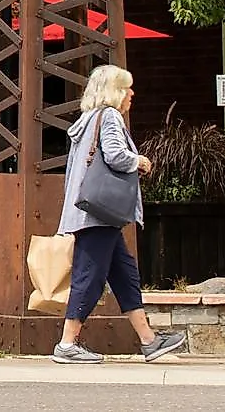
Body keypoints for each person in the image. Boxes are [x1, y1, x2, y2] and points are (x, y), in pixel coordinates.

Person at [52, 64, 184, 364]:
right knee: (89, 276)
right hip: (98, 215)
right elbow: (114, 155)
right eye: (126, 88)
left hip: (94, 213)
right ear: (115, 92)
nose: (132, 94)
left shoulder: (87, 119)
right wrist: (139, 161)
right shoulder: (109, 116)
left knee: (124, 274)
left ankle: (149, 340)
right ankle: (66, 343)